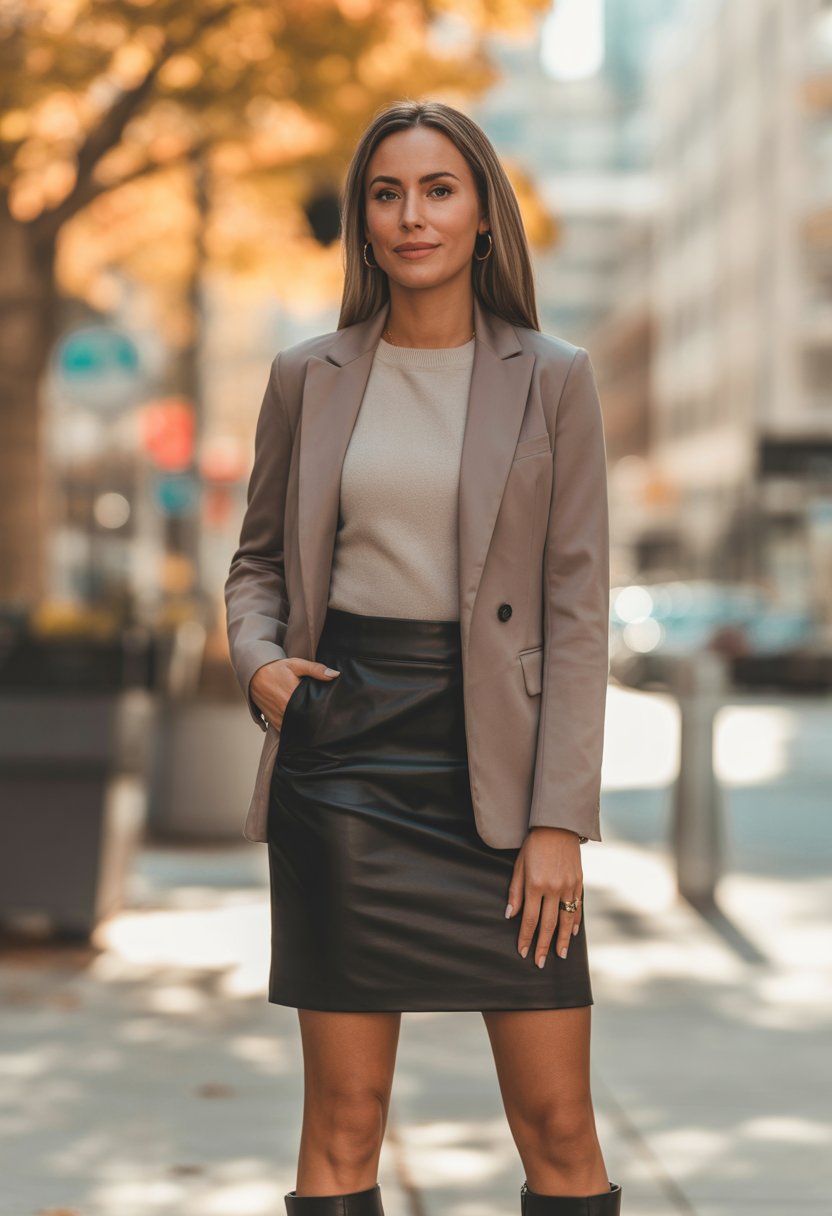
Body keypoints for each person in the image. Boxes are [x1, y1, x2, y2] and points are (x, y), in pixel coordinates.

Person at [224, 99, 621, 1216]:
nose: (412, 216)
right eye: (386, 194)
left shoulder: (554, 377)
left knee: (559, 1128)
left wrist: (559, 820)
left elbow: (576, 609)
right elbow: (256, 565)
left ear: (483, 213)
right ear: (362, 221)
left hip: (500, 768)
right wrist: (258, 664)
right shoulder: (308, 377)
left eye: (438, 190)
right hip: (342, 753)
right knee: (345, 1128)